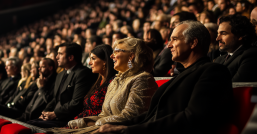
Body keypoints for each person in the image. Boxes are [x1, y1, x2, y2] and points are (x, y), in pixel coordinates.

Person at [94, 21, 233, 134]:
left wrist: (128, 130)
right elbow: (151, 115)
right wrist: (117, 125)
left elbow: (192, 117)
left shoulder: (212, 71)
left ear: (193, 43)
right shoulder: (185, 73)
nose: (169, 45)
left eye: (175, 39)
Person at [53, 38, 158, 133]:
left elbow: (130, 116)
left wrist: (92, 124)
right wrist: (82, 122)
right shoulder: (115, 81)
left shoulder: (143, 79)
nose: (112, 56)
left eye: (116, 52)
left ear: (131, 56)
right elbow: (104, 115)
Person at [27, 42, 96, 128]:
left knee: (30, 126)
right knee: (28, 123)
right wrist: (45, 112)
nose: (56, 57)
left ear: (70, 57)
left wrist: (55, 114)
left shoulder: (83, 73)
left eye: (60, 54)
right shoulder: (60, 74)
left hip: (68, 120)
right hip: (55, 117)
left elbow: (76, 103)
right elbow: (55, 99)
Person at [214, 15, 257, 82]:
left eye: (223, 34)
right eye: (218, 34)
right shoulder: (219, 60)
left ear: (240, 35)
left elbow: (236, 86)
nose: (217, 39)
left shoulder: (251, 55)